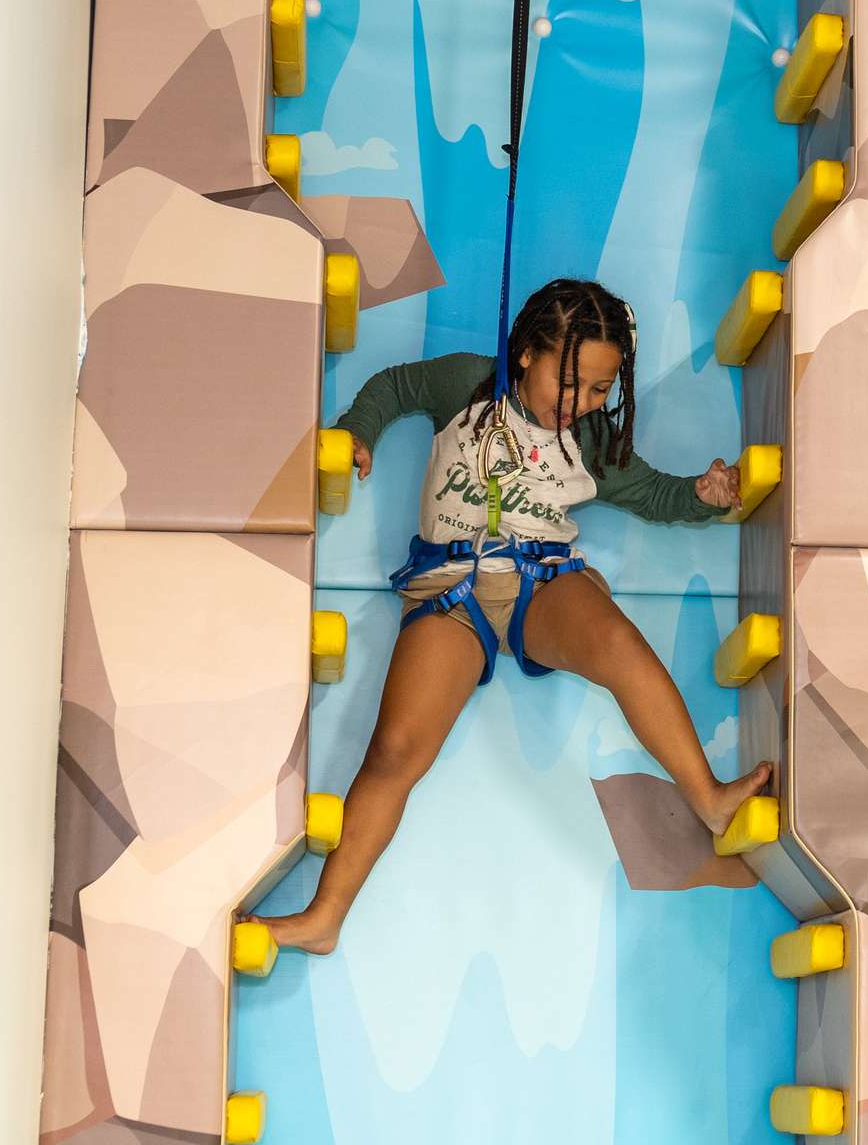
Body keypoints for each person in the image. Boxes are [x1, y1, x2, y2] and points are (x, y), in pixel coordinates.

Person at [251, 277, 772, 956]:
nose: (580, 404)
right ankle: (325, 917)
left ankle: (707, 795)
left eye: (598, 391)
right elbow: (397, 386)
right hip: (449, 588)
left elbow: (651, 494)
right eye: (571, 382)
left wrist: (701, 495)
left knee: (616, 641)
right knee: (396, 749)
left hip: (541, 580)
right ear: (526, 353)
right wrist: (357, 430)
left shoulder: (586, 439)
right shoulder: (468, 385)